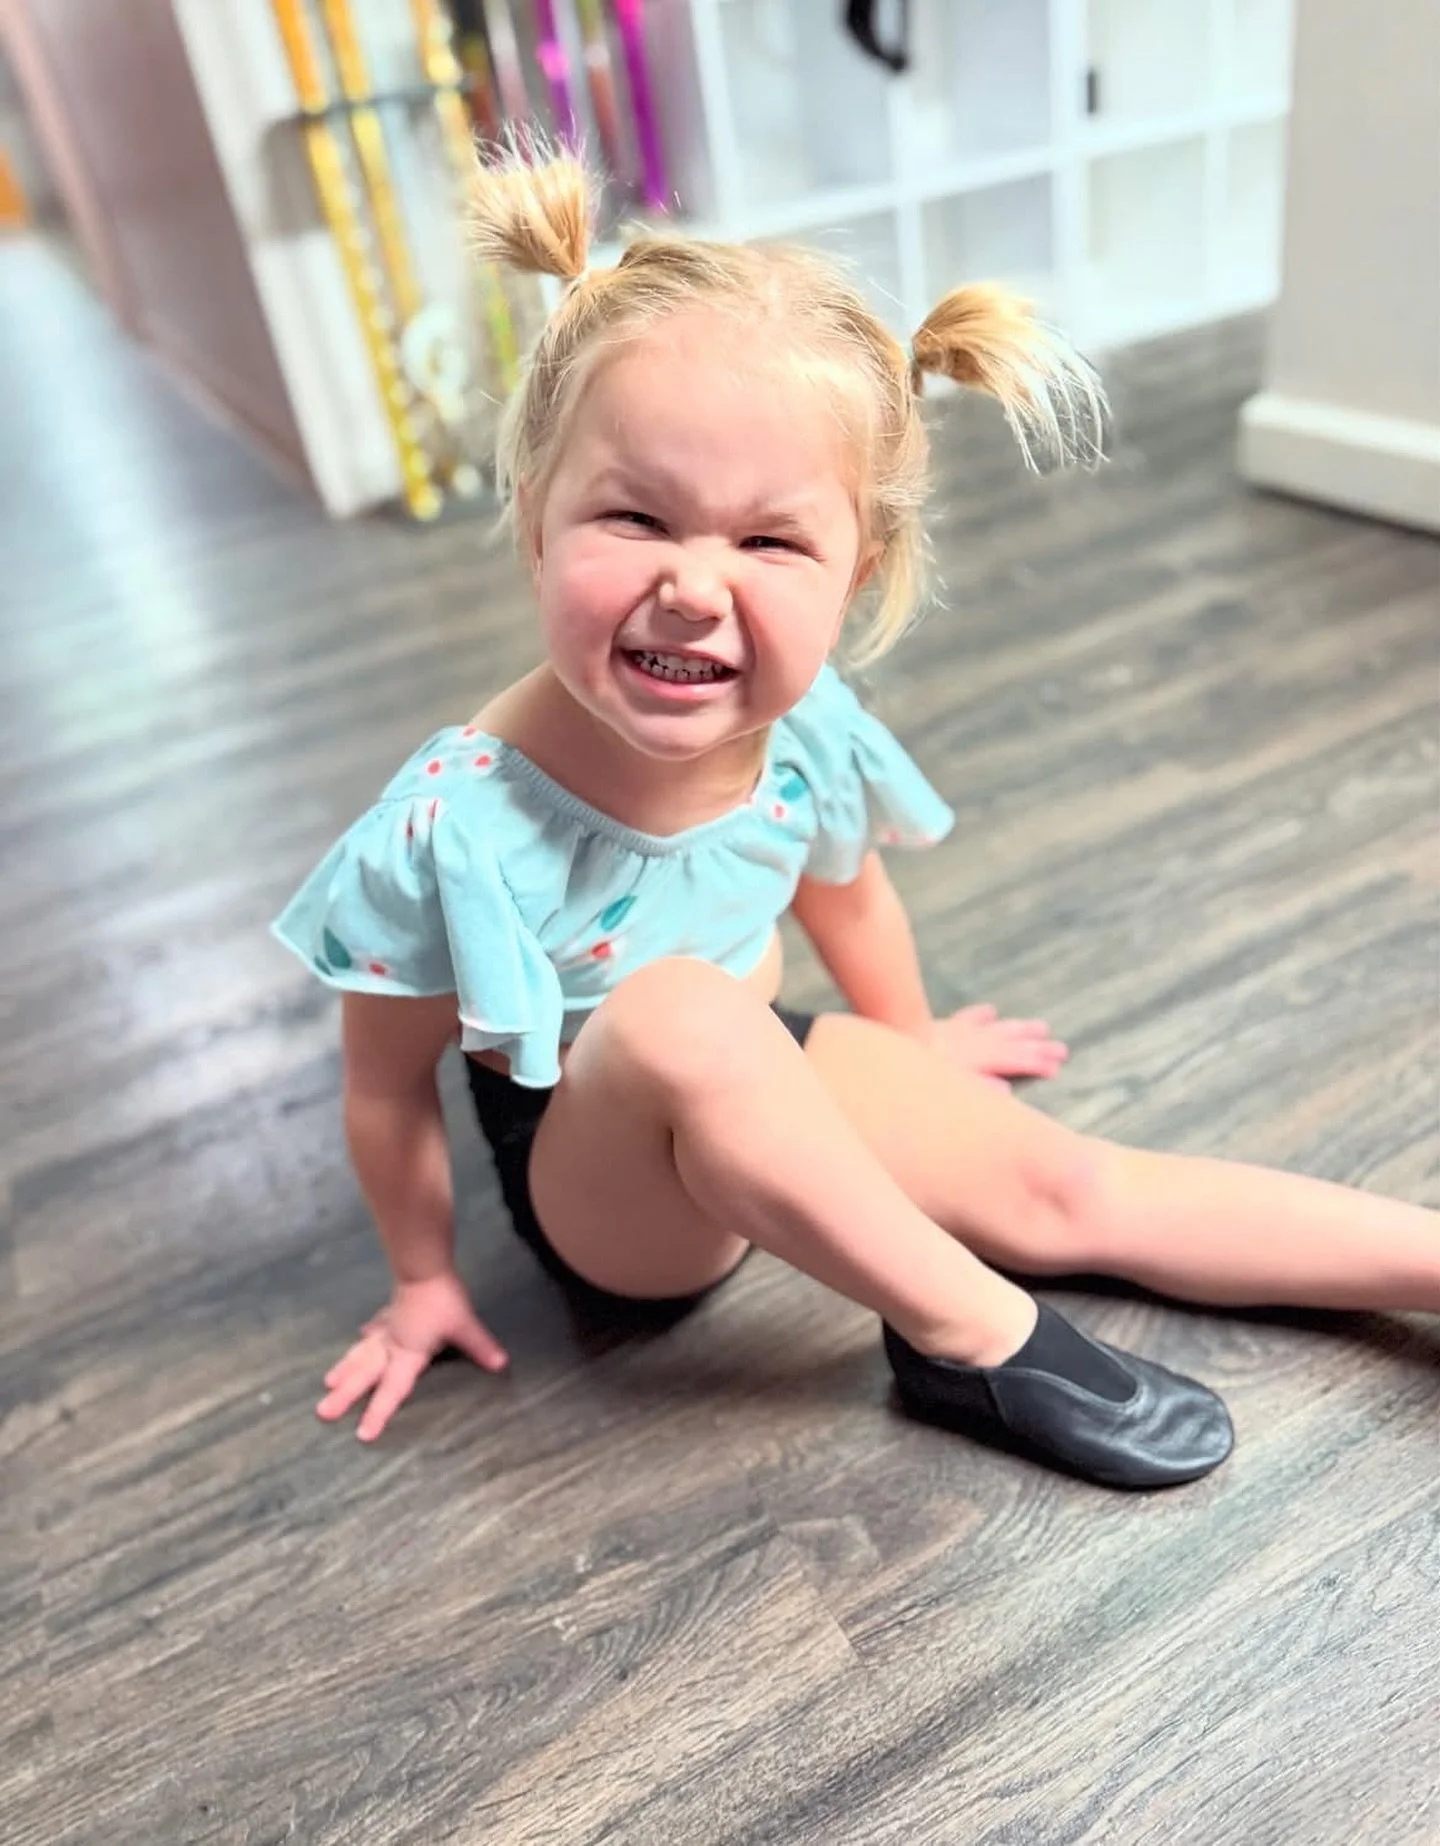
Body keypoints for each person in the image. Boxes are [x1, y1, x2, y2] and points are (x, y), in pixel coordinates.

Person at [273, 150, 1438, 1489]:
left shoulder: (801, 728)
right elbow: (382, 1087)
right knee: (675, 1009)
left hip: (764, 1057)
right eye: (635, 516)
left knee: (1071, 1189)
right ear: (536, 519)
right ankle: (968, 1329)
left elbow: (843, 893)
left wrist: (912, 1044)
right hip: (605, 1191)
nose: (694, 589)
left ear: (854, 571)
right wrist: (422, 1277)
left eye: (769, 544)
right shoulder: (452, 826)